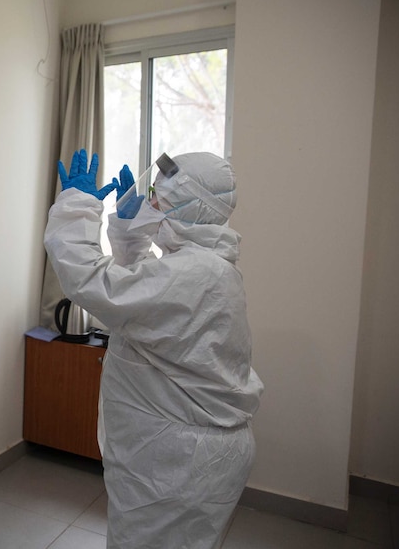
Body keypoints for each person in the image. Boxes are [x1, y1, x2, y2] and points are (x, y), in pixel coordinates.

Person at [44, 149, 263, 549]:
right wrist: (133, 230)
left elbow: (97, 285)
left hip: (176, 462)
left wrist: (77, 207)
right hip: (185, 451)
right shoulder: (205, 266)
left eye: (159, 198)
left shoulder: (196, 274)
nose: (152, 203)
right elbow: (142, 302)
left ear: (188, 207)